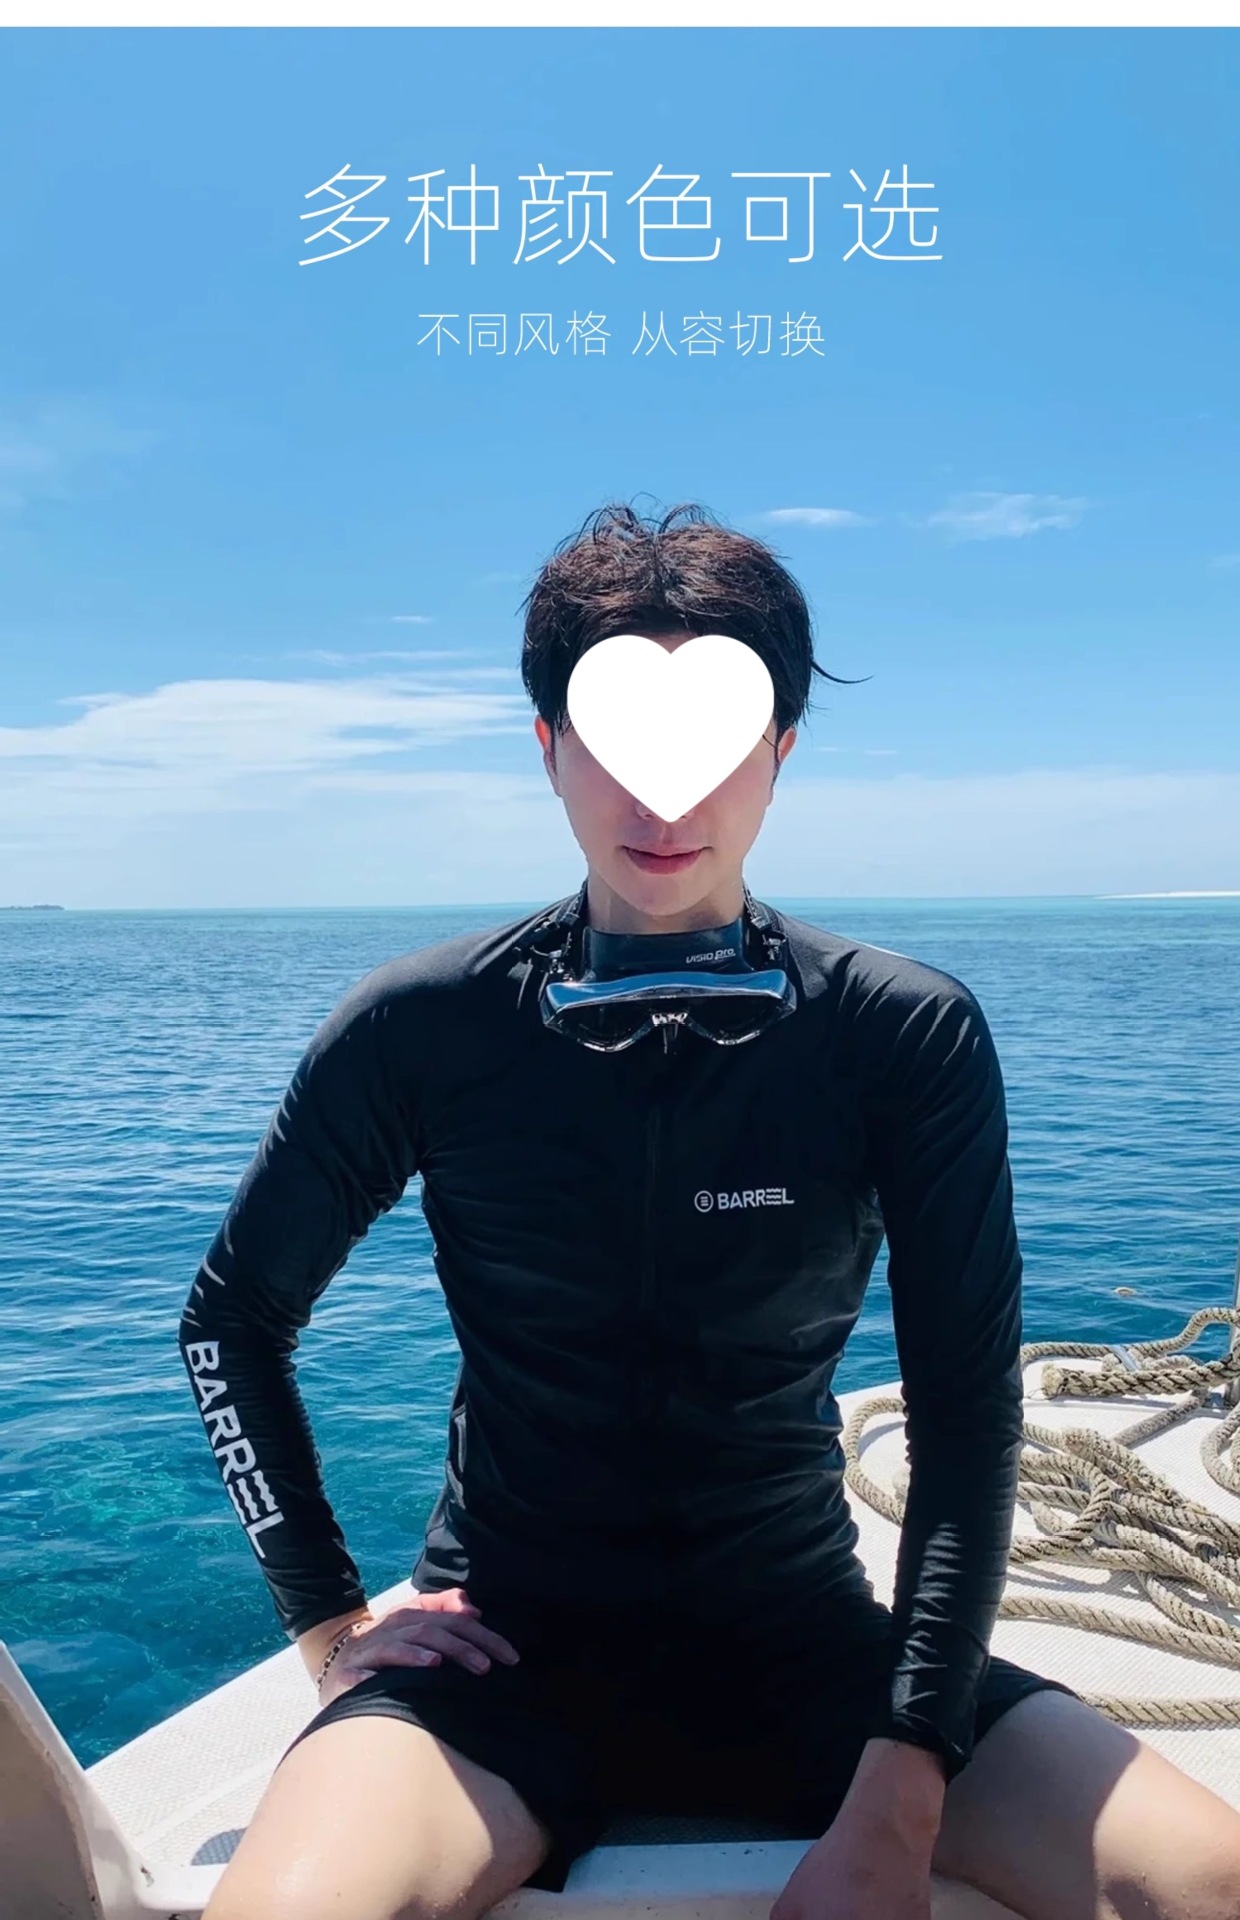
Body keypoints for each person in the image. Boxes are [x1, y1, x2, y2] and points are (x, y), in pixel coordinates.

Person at [185, 503, 1240, 1920]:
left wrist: (899, 1797)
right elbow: (231, 1322)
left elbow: (967, 1410)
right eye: (614, 744)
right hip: (498, 1658)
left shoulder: (895, 1032)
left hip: (804, 1644)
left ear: (780, 752)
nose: (663, 799)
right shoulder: (424, 1028)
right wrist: (329, 1624)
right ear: (550, 749)